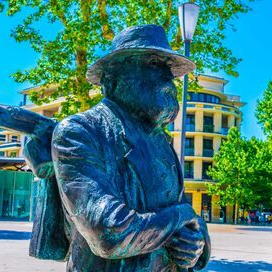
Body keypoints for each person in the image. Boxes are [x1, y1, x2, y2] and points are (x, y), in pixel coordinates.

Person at [26, 25, 211, 271]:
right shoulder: (80, 131)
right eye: (154, 64)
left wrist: (196, 243)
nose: (169, 78)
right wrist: (180, 217)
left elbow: (185, 217)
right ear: (113, 80)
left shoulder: (162, 141)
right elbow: (108, 232)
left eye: (170, 70)